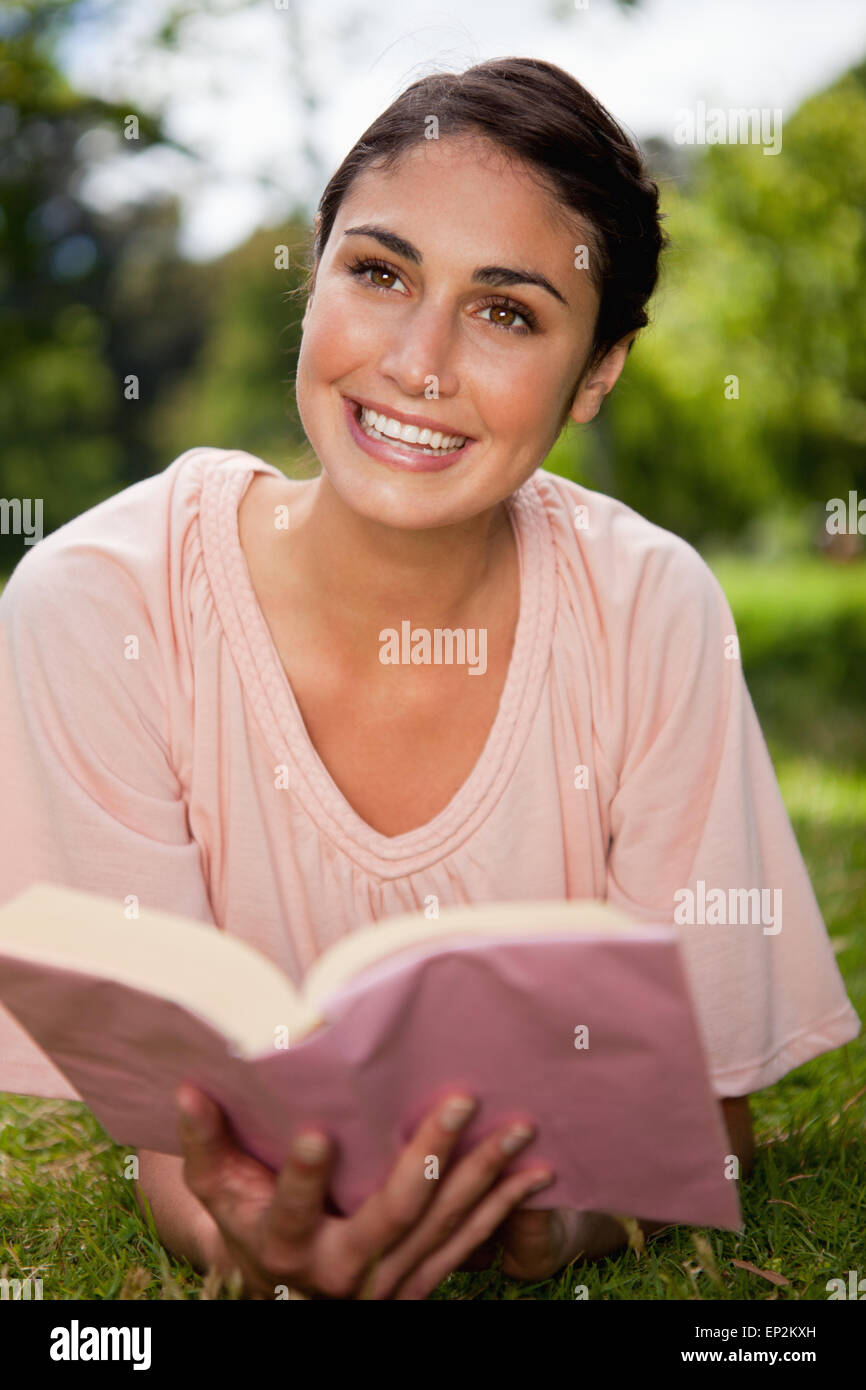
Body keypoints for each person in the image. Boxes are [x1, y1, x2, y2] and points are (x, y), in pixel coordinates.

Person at [0, 58, 858, 1301]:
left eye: (505, 311)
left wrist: (556, 1228)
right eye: (379, 272)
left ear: (596, 371)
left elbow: (695, 1120)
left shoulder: (649, 607)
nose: (417, 361)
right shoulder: (97, 605)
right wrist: (259, 1241)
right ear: (316, 271)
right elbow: (173, 1134)